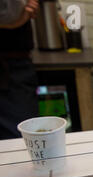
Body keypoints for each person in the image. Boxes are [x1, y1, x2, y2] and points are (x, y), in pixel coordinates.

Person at [0, 0, 40, 139]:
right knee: (22, 141)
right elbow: (12, 14)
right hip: (10, 65)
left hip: (14, 65)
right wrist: (20, 15)